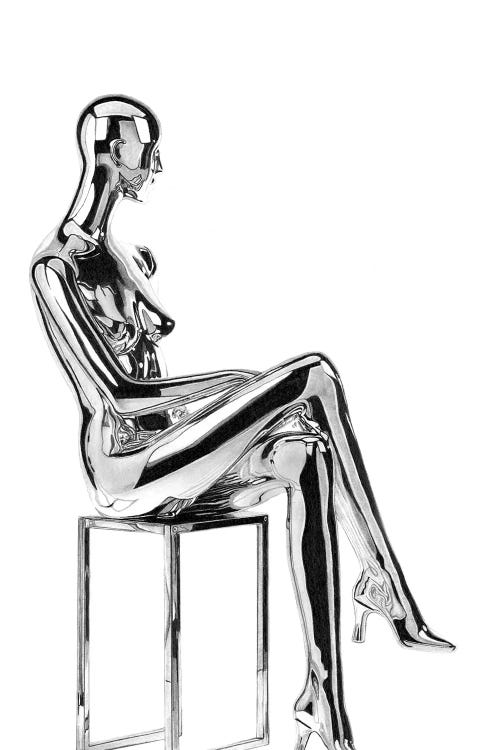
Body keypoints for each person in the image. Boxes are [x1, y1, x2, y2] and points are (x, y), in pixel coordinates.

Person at [31, 96, 453, 750]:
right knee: (314, 376)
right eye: (148, 150)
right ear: (112, 152)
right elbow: (117, 394)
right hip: (125, 467)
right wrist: (234, 385)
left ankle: (323, 696)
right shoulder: (55, 267)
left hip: (173, 449)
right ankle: (388, 586)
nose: (158, 165)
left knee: (306, 454)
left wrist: (233, 396)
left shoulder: (124, 254)